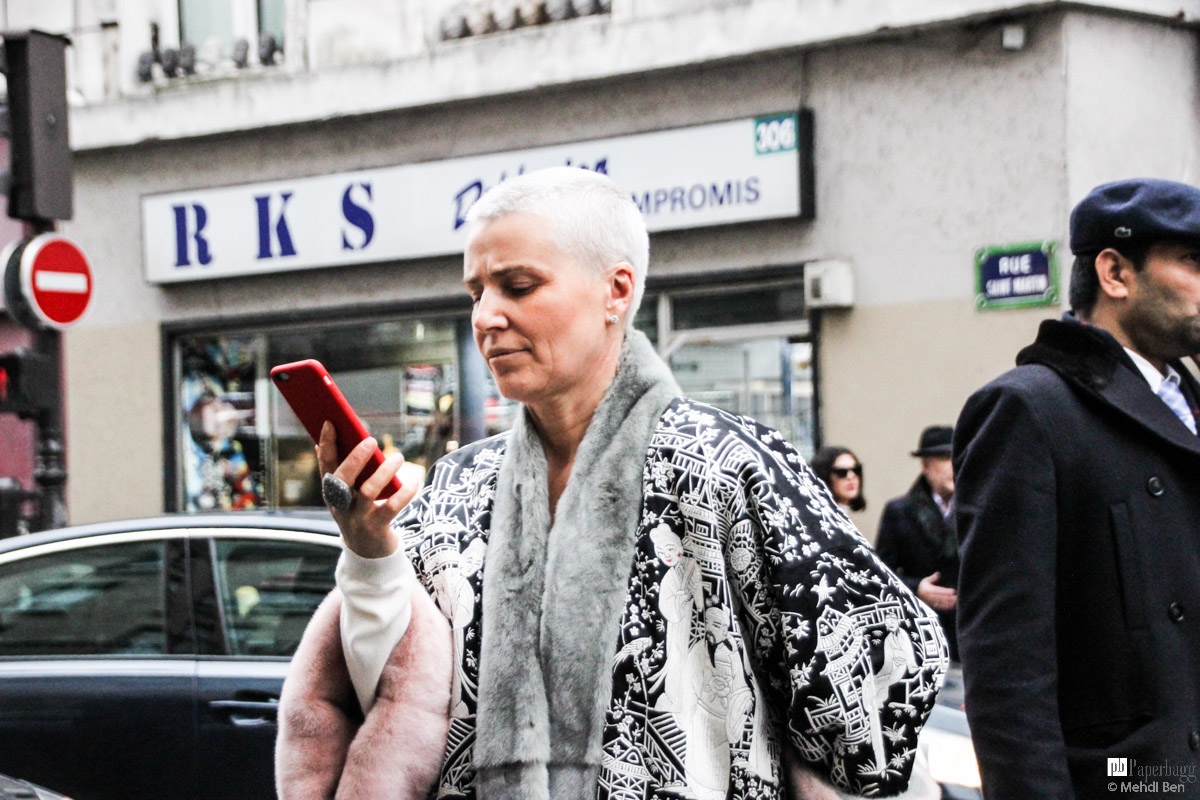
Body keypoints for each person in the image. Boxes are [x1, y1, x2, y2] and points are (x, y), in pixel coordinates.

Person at [279, 167, 947, 800]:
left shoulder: (726, 467)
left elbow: (881, 702)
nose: (485, 317)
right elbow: (393, 706)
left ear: (617, 291)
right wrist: (369, 549)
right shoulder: (457, 487)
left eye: (517, 285)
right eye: (476, 291)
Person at [953, 177, 1200, 799]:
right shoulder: (1029, 410)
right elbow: (1009, 673)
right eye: (1194, 262)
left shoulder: (1187, 405)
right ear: (1115, 272)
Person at [874, 426, 959, 661]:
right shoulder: (899, 512)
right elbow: (880, 574)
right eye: (944, 458)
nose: (953, 465)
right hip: (923, 636)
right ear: (925, 466)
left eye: (957, 457)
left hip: (970, 633)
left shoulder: (975, 510)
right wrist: (916, 588)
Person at [809, 445, 866, 513]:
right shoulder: (822, 518)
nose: (851, 477)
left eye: (856, 470)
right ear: (825, 477)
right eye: (841, 472)